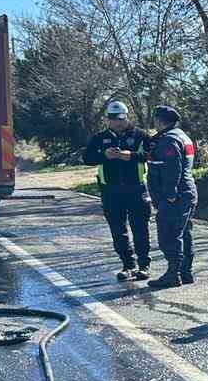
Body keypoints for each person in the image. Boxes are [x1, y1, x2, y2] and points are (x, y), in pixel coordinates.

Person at [82, 100, 152, 282]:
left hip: (136, 188)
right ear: (107, 119)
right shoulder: (100, 137)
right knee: (117, 230)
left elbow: (152, 155)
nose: (117, 122)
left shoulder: (140, 135)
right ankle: (128, 265)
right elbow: (87, 158)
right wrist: (104, 156)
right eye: (113, 119)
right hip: (111, 191)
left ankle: (144, 265)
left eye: (120, 118)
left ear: (126, 117)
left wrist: (131, 156)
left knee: (140, 228)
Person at [145, 106, 198, 290]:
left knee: (169, 235)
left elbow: (173, 168)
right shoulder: (181, 136)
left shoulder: (169, 140)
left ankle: (173, 274)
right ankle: (185, 272)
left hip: (176, 196)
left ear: (160, 120)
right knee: (184, 233)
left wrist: (170, 194)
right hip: (187, 193)